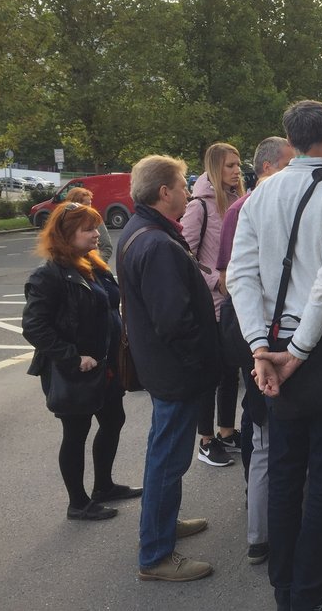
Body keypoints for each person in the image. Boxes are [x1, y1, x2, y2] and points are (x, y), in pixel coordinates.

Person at [228, 100, 322, 611]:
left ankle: (287, 589)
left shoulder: (262, 193)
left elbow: (239, 276)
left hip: (272, 344)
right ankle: (309, 592)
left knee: (285, 472)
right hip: (321, 349)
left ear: (289, 138)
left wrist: (261, 348)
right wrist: (300, 350)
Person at [116, 154, 222, 583]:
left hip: (163, 367)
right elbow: (174, 321)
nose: (187, 191)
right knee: (167, 458)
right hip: (175, 371)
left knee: (166, 456)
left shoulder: (142, 230)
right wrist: (202, 362)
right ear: (165, 192)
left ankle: (162, 525)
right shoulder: (156, 242)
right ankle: (156, 555)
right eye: (182, 184)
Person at [22, 202, 140, 520]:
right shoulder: (48, 275)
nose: (97, 234)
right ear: (65, 235)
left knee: (113, 421)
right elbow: (33, 326)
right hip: (77, 370)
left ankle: (104, 486)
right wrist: (73, 358)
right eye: (88, 229)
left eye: (96, 227)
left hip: (106, 364)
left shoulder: (91, 263)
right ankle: (78, 502)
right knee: (76, 433)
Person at [215, 135, 293, 566]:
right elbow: (229, 280)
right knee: (262, 431)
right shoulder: (243, 210)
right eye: (287, 164)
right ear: (266, 168)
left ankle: (269, 526)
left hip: (275, 334)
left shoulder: (274, 205)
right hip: (257, 334)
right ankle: (261, 533)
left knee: (273, 431)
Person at [182, 142, 243, 468]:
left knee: (230, 371)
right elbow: (185, 254)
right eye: (230, 165)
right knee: (212, 373)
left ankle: (227, 431)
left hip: (233, 302)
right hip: (212, 305)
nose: (236, 170)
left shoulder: (236, 199)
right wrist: (213, 281)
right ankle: (206, 440)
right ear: (214, 168)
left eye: (238, 164)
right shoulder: (199, 206)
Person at [64, 188, 114, 262]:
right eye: (85, 205)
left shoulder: (96, 219)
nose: (89, 207)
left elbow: (107, 248)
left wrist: (95, 264)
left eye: (90, 203)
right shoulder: (63, 223)